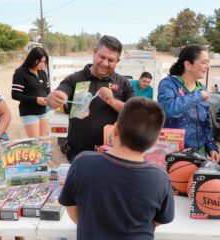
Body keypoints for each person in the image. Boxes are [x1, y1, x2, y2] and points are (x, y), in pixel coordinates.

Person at [59, 97, 175, 240]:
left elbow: (70, 206)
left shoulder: (82, 163)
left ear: (114, 130)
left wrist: (93, 227)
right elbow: (161, 219)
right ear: (154, 143)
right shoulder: (160, 178)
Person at [47, 35, 134, 161]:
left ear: (117, 61)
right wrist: (53, 98)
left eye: (111, 60)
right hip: (79, 156)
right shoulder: (75, 79)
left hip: (113, 157)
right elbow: (59, 94)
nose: (105, 63)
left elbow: (135, 114)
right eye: (102, 57)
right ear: (94, 52)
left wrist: (112, 101)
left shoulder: (123, 83)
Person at [158, 44, 220, 162]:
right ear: (188, 65)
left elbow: (205, 123)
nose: (207, 66)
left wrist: (212, 147)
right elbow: (169, 109)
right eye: (204, 62)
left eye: (208, 62)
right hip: (175, 154)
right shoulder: (168, 84)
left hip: (199, 154)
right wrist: (198, 95)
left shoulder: (201, 88)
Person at [12, 47, 51, 138]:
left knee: (43, 141)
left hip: (44, 112)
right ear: (33, 59)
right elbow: (15, 95)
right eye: (41, 61)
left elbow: (48, 91)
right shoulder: (20, 73)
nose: (43, 64)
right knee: (35, 143)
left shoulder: (42, 73)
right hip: (29, 112)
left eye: (44, 62)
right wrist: (36, 99)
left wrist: (50, 99)